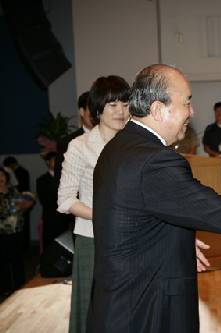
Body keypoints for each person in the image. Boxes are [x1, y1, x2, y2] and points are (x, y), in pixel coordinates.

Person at [87, 64, 221, 333]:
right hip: (144, 311)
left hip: (121, 303)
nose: (192, 112)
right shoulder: (155, 160)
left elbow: (133, 217)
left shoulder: (120, 145)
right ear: (159, 110)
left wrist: (177, 240)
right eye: (186, 102)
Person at [57, 75, 131, 333]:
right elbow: (65, 200)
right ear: (98, 109)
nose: (121, 111)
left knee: (128, 307)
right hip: (92, 238)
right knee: (91, 309)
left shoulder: (134, 145)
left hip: (132, 237)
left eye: (125, 103)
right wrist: (103, 216)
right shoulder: (79, 146)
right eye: (113, 105)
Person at [0, 168, 35, 293]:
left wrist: (25, 205)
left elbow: (23, 206)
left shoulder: (13, 190)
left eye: (3, 175)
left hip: (17, 231)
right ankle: (5, 288)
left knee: (18, 260)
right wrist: (18, 208)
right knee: (3, 262)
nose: (1, 178)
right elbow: (4, 212)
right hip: (3, 234)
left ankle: (20, 286)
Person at [55, 91, 95, 182]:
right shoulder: (67, 143)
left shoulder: (112, 138)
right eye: (91, 109)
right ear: (82, 111)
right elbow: (60, 181)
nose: (95, 114)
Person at [3, 156, 31, 249]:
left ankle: (23, 246)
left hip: (19, 202)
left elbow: (19, 190)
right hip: (18, 203)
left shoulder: (20, 173)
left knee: (20, 226)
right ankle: (23, 246)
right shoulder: (23, 171)